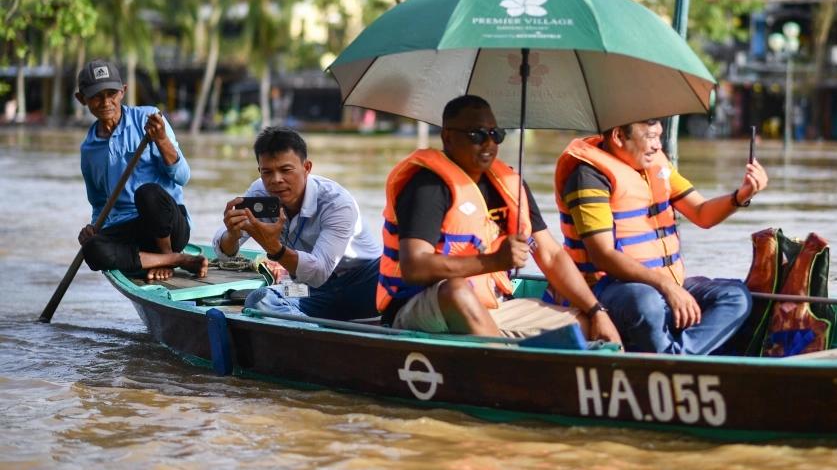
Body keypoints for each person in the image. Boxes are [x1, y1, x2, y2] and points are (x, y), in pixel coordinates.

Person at [378, 95, 621, 344]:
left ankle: (514, 354)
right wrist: (494, 261)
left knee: (580, 324)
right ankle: (506, 363)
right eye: (477, 135)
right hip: (421, 306)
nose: (489, 143)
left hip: (492, 306)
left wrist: (597, 311)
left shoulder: (510, 185)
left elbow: (551, 255)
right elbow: (414, 267)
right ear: (447, 137)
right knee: (457, 291)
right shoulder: (428, 187)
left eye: (496, 134)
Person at [554, 118, 768, 354]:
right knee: (646, 301)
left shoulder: (655, 165)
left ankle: (678, 357)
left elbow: (701, 213)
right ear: (618, 137)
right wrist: (666, 286)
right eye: (650, 137)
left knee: (736, 296)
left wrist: (740, 196)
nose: (658, 145)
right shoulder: (588, 176)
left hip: (661, 284)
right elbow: (602, 255)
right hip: (607, 290)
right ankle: (673, 359)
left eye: (659, 136)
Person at [214, 127, 381, 321]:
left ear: (307, 168)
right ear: (260, 171)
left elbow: (320, 271)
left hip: (363, 283)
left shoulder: (336, 203)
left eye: (286, 170)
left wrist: (274, 248)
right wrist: (232, 234)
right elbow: (222, 252)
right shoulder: (259, 193)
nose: (276, 180)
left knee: (397, 269)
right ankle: (314, 333)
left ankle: (310, 329)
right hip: (308, 289)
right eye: (267, 172)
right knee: (261, 298)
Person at [75, 59, 208, 281]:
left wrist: (161, 139)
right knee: (92, 249)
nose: (106, 102)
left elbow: (183, 177)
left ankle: (166, 253)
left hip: (168, 227)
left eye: (112, 94)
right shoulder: (88, 149)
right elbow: (99, 204)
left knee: (147, 194)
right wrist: (93, 230)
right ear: (82, 99)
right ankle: (175, 260)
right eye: (97, 96)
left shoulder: (148, 119)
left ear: (123, 92)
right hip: (130, 230)